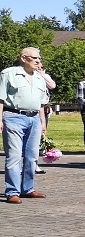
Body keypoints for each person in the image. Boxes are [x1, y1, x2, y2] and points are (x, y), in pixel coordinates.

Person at [0, 47, 49, 204]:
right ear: (23, 58)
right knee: (14, 156)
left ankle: (28, 189)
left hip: (34, 119)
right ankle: (12, 192)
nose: (38, 61)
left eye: (39, 58)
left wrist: (42, 122)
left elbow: (41, 103)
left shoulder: (40, 78)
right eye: (35, 58)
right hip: (13, 117)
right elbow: (0, 99)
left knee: (32, 156)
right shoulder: (8, 74)